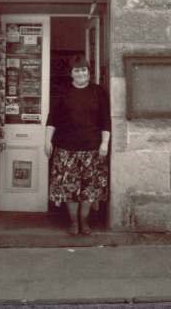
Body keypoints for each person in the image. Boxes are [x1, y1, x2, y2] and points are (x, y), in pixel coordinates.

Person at [44, 54, 111, 236]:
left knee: (89, 189)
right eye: (77, 70)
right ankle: (74, 223)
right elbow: (52, 119)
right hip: (67, 149)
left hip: (92, 148)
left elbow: (106, 120)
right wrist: (47, 140)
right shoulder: (63, 92)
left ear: (88, 72)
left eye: (84, 70)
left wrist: (105, 143)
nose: (81, 73)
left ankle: (85, 221)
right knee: (69, 189)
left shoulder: (98, 92)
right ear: (71, 73)